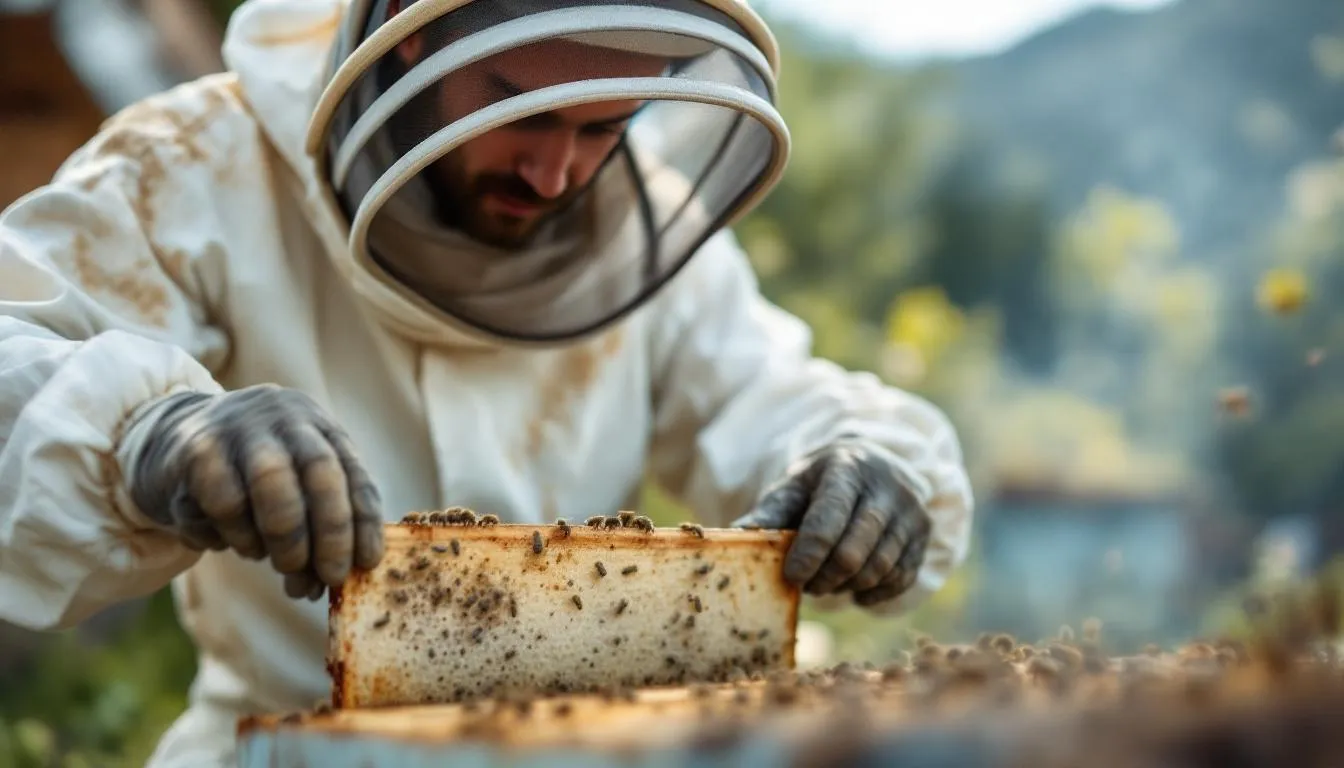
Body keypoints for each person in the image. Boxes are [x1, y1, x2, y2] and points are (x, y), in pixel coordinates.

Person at [0, 0, 974, 764]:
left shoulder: (643, 233)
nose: (556, 173)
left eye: (607, 125)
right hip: (282, 747)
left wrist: (862, 467)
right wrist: (155, 436)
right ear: (406, 37)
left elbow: (766, 395)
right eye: (521, 105)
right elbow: (17, 348)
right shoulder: (195, 165)